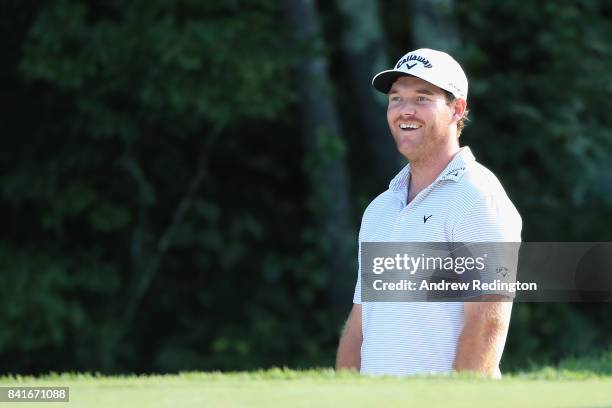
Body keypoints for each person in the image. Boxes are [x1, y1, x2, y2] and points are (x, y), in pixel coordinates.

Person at [335, 48, 522, 377]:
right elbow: (360, 326)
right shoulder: (380, 209)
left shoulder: (477, 196)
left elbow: (487, 324)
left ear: (456, 109)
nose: (405, 110)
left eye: (422, 98)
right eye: (396, 98)